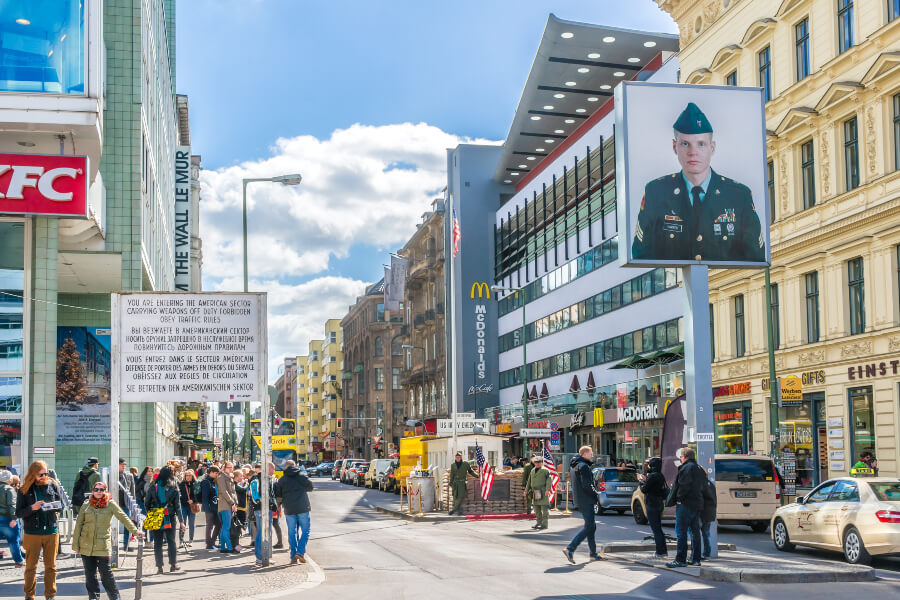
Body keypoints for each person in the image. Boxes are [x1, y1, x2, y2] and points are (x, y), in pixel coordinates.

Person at [631, 102, 765, 263]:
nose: (693, 152)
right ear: (675, 147)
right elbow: (641, 253)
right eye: (685, 144)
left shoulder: (738, 195)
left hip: (726, 282)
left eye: (701, 144)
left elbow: (755, 256)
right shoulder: (657, 192)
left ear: (712, 147)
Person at [72, 480, 142, 600]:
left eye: (101, 489)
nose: (99, 492)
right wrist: (75, 544)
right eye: (96, 489)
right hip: (86, 544)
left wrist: (135, 531)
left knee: (106, 573)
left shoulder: (110, 504)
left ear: (105, 491)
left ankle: (115, 597)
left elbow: (123, 517)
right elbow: (78, 525)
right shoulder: (86, 505)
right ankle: (93, 597)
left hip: (102, 545)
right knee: (90, 574)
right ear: (92, 491)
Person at [16, 460, 64, 600]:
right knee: (31, 567)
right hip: (33, 533)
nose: (44, 476)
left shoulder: (52, 484)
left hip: (51, 530)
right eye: (40, 474)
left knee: (51, 567)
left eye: (46, 473)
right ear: (33, 473)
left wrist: (53, 506)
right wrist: (33, 508)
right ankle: (29, 595)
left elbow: (61, 505)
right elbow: (19, 513)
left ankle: (50, 595)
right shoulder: (24, 488)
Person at [665, 447, 706, 568]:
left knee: (681, 532)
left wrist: (679, 498)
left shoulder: (687, 468)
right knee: (695, 532)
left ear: (684, 457)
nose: (681, 459)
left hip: (685, 504)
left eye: (681, 457)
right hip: (697, 503)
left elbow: (684, 486)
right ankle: (695, 559)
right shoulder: (699, 469)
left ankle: (680, 559)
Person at [144, 466, 186, 574]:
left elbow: (146, 503)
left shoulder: (153, 486)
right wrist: (181, 521)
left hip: (156, 516)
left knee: (157, 542)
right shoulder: (174, 488)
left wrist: (152, 513)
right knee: (171, 540)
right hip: (169, 516)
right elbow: (178, 506)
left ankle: (159, 567)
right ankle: (173, 564)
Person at [563, 446, 602, 563]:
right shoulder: (584, 467)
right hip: (586, 500)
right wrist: (596, 494)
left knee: (591, 526)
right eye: (591, 453)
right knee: (590, 526)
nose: (592, 455)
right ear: (584, 454)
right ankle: (570, 548)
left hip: (580, 500)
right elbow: (587, 485)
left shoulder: (575, 465)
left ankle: (593, 554)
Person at [275, 459, 314, 564]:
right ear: (295, 466)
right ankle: (300, 552)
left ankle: (293, 557)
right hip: (302, 507)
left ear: (286, 467)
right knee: (305, 531)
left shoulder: (282, 479)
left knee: (292, 532)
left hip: (289, 509)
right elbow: (310, 487)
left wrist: (278, 506)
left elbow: (278, 495)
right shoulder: (301, 476)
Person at [638, 457, 669, 558]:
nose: (648, 466)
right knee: (658, 528)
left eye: (649, 464)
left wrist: (641, 481)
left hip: (652, 504)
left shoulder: (653, 476)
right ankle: (663, 550)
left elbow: (644, 489)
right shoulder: (660, 475)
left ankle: (660, 552)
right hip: (659, 503)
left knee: (656, 529)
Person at [250, 462, 280, 566]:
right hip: (264, 509)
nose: (274, 471)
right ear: (268, 469)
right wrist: (273, 504)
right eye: (273, 469)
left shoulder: (257, 478)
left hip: (258, 509)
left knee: (261, 533)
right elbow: (268, 495)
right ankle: (262, 557)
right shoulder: (265, 479)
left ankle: (262, 557)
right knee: (264, 534)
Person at [0, 469, 24, 567]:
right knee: (13, 541)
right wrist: (14, 518)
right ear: (9, 479)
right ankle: (18, 561)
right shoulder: (9, 489)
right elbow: (12, 505)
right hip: (8, 519)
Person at [217, 461, 239, 554]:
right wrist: (232, 503)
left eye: (232, 467)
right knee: (226, 527)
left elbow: (232, 492)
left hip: (227, 504)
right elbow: (224, 492)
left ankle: (223, 547)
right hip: (225, 505)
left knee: (224, 527)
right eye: (229, 467)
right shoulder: (221, 477)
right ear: (224, 468)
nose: (231, 469)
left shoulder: (227, 476)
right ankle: (229, 548)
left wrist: (235, 503)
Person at [525, 455, 552, 531]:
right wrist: (526, 490)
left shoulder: (545, 470)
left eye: (538, 462)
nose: (537, 464)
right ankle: (538, 523)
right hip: (535, 491)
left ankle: (544, 524)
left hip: (543, 491)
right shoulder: (532, 470)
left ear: (541, 462)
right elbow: (529, 481)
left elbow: (549, 480)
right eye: (535, 462)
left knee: (544, 508)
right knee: (536, 509)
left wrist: (547, 489)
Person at [118, 459, 136, 552]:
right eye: (121, 464)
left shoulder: (129, 475)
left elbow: (132, 491)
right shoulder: (112, 475)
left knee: (128, 525)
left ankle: (126, 544)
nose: (123, 466)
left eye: (124, 464)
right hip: (115, 503)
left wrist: (133, 505)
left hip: (126, 504)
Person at [200, 466, 220, 550]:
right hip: (209, 508)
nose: (216, 475)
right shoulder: (206, 482)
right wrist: (207, 508)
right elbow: (204, 496)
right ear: (211, 472)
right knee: (210, 525)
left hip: (214, 507)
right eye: (215, 473)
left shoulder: (212, 481)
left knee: (219, 524)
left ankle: (212, 542)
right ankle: (209, 544)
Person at [178, 469, 199, 546]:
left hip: (192, 506)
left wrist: (193, 500)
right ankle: (181, 540)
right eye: (187, 475)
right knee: (182, 523)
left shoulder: (196, 484)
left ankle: (191, 540)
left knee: (191, 523)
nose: (188, 477)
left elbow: (198, 495)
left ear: (192, 476)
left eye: (190, 475)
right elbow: (179, 495)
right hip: (183, 506)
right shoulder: (181, 484)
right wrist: (183, 500)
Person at [700, 475, 717, 560]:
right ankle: (707, 554)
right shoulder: (710, 484)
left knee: (694, 533)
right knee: (706, 533)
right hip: (710, 512)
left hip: (702, 512)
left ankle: (695, 554)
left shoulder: (700, 483)